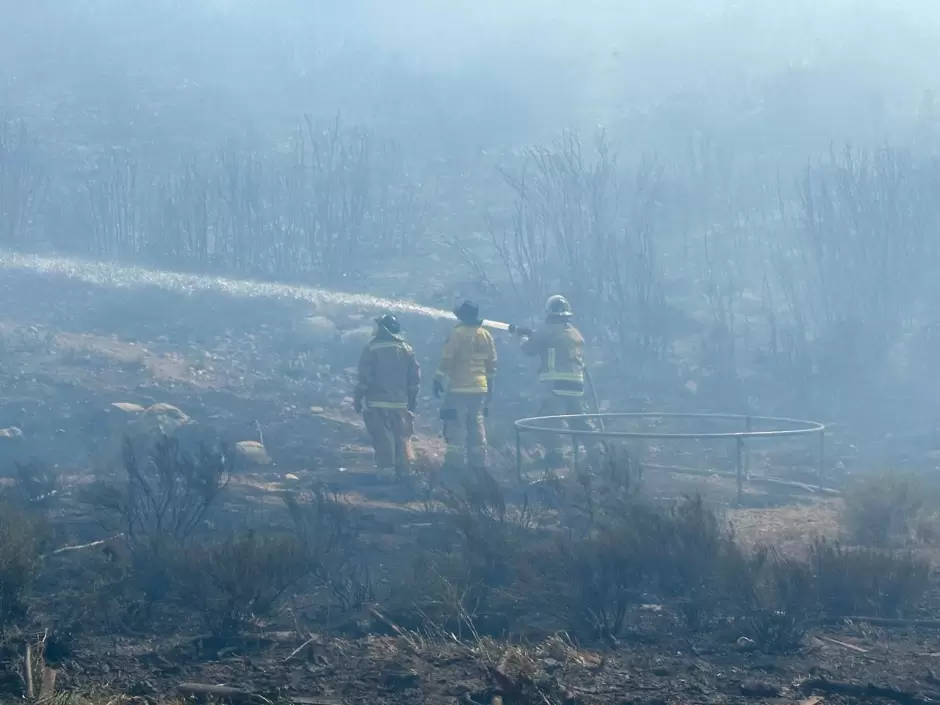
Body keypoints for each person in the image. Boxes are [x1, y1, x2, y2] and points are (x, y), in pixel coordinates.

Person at [516, 295, 599, 468]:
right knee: (579, 420)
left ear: (549, 313)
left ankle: (556, 456)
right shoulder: (574, 332)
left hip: (556, 383)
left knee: (550, 419)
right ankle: (598, 453)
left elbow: (529, 349)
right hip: (577, 384)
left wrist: (522, 337)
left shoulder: (546, 330)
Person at [433, 300, 497, 473]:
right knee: (476, 424)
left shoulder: (457, 334)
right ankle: (478, 463)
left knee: (455, 425)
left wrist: (438, 378)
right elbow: (491, 365)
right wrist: (490, 389)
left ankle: (454, 465)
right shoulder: (485, 335)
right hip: (480, 388)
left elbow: (447, 359)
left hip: (459, 388)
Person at [354, 313, 420, 477]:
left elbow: (365, 377)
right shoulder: (407, 349)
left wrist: (358, 397)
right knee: (402, 437)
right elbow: (414, 379)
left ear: (383, 329)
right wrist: (412, 401)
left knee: (382, 437)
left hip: (378, 402)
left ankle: (386, 471)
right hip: (400, 403)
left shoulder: (372, 348)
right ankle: (405, 471)